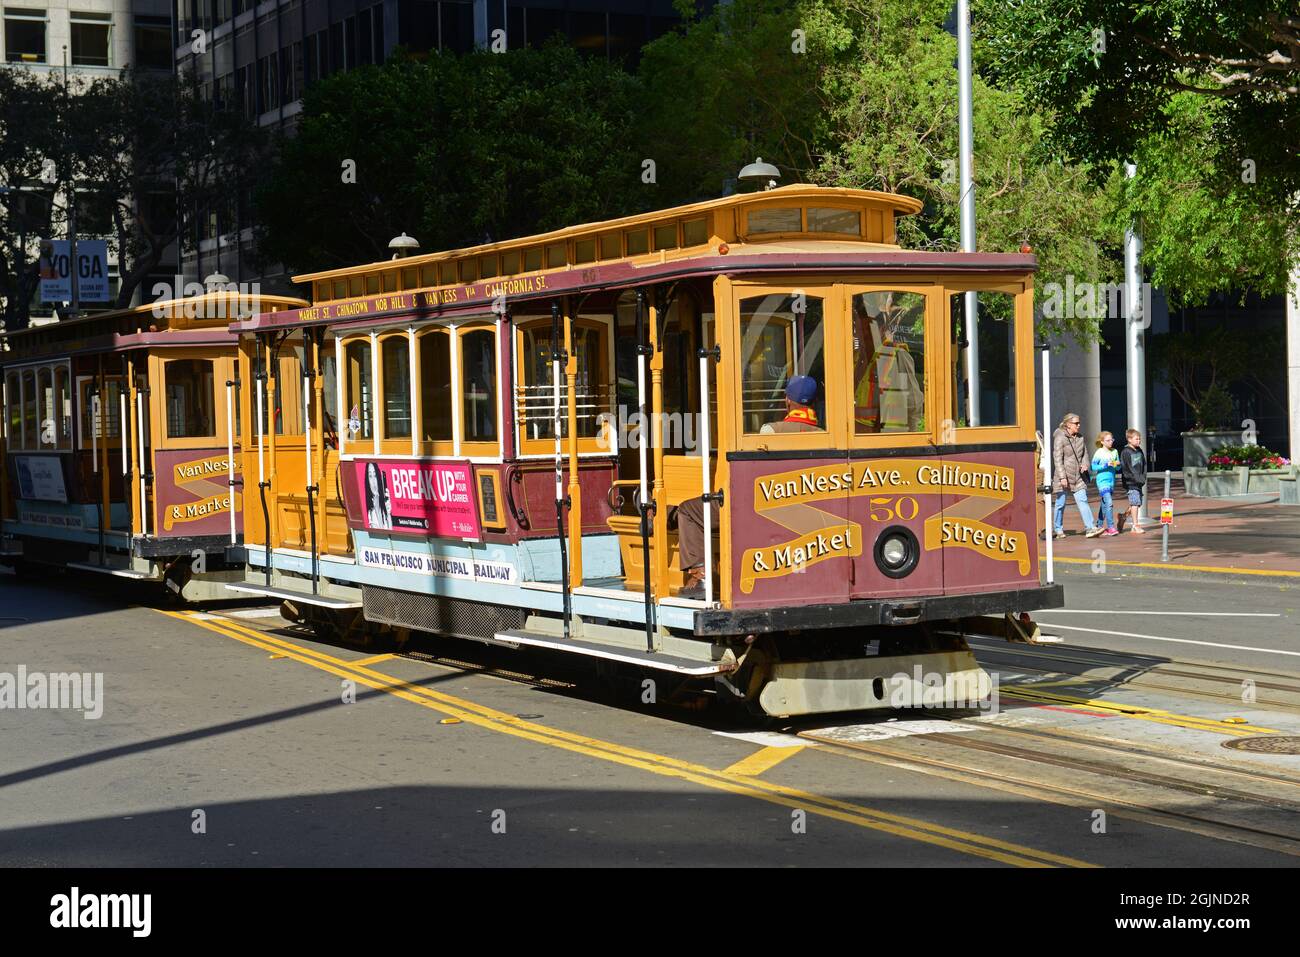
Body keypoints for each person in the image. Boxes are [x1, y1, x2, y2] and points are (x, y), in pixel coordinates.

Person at [675, 375, 821, 599]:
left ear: (787, 401)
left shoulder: (771, 431)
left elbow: (755, 476)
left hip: (761, 506)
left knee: (688, 509)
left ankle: (701, 576)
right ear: (813, 402)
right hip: (804, 508)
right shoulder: (823, 435)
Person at [1051, 412, 1101, 538]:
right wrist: (1062, 477)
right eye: (1076, 423)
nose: (1078, 425)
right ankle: (1058, 529)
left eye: (1079, 423)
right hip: (1064, 477)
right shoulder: (1060, 438)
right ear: (1068, 424)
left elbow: (1085, 454)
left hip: (1078, 477)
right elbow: (1057, 458)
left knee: (1083, 500)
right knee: (1060, 503)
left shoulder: (1080, 437)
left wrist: (1085, 464)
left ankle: (1090, 528)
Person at [1091, 431, 1121, 536]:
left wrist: (1117, 465)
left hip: (1111, 481)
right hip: (1102, 481)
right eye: (1108, 440)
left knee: (1104, 505)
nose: (1111, 442)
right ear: (1102, 442)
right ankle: (1110, 527)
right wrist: (1105, 465)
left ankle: (1099, 526)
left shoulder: (1115, 451)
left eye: (1112, 440)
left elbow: (1118, 467)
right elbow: (1093, 467)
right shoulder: (1099, 452)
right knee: (1109, 503)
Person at [1119, 428, 1148, 534]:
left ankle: (1123, 516)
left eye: (1139, 439)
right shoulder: (1126, 452)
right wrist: (1133, 478)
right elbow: (1125, 468)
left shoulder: (1139, 450)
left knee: (1136, 503)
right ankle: (1135, 525)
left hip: (1139, 480)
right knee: (1135, 503)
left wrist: (1143, 477)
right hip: (1131, 482)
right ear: (1129, 439)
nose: (1139, 441)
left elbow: (1144, 464)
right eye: (1136, 439)